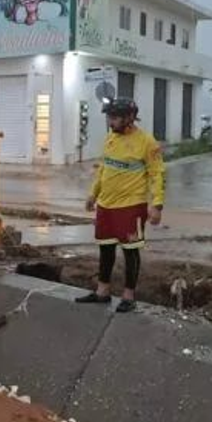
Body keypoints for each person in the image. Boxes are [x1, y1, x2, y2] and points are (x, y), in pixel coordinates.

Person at [76, 97, 165, 313]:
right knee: (105, 248)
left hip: (131, 206)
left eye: (114, 117)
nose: (110, 121)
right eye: (109, 117)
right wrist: (93, 195)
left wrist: (157, 205)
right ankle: (102, 292)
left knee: (130, 251)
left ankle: (128, 296)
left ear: (130, 118)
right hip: (106, 205)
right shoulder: (111, 138)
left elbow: (157, 174)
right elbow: (103, 168)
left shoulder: (147, 142)